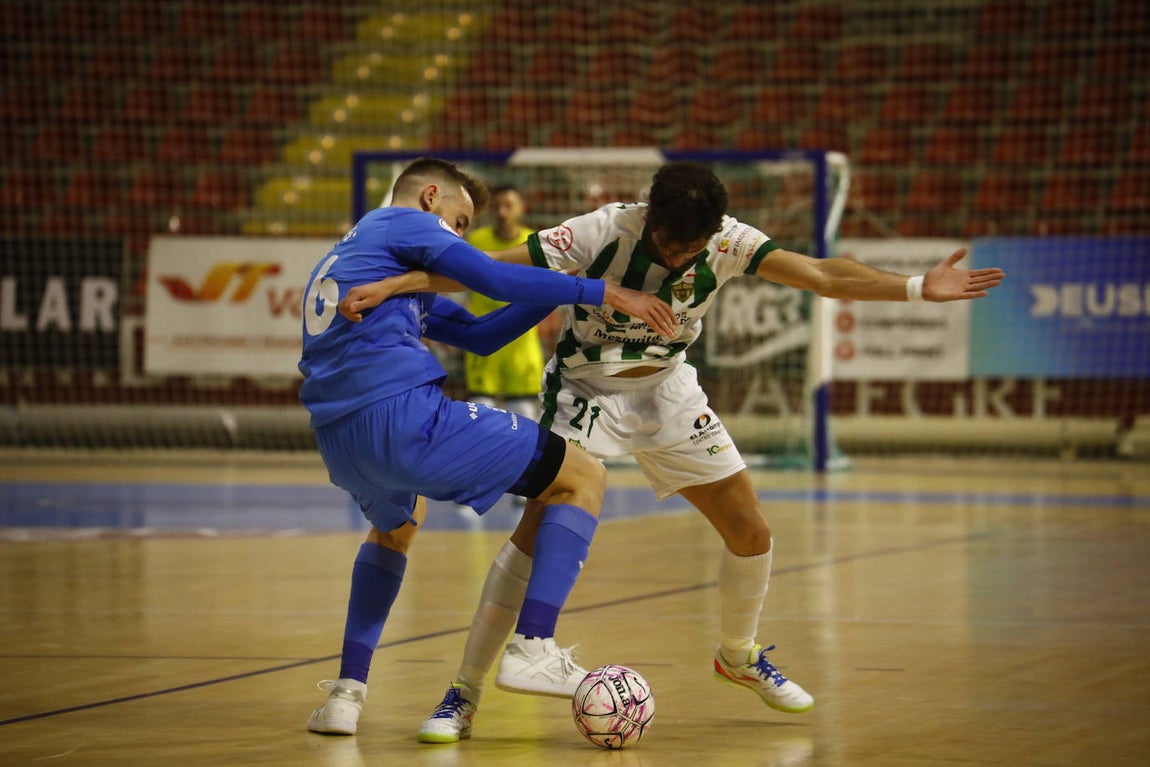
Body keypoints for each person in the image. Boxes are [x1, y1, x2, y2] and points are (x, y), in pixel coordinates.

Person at [338, 161, 1007, 744]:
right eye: (666, 242)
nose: (679, 256)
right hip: (584, 390)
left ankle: (739, 655)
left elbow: (823, 274)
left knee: (751, 529)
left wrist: (918, 286)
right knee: (532, 536)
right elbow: (488, 272)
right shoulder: (603, 230)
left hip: (668, 391)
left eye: (691, 248)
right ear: (648, 217)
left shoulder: (730, 242)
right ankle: (463, 692)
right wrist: (400, 286)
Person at [298, 156, 676, 737]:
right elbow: (491, 278)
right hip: (401, 416)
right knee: (582, 477)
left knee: (396, 529)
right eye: (459, 220)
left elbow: (480, 335)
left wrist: (565, 290)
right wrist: (604, 290)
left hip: (339, 439)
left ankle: (345, 697)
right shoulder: (404, 224)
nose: (458, 235)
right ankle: (533, 646)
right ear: (429, 197)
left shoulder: (360, 250)